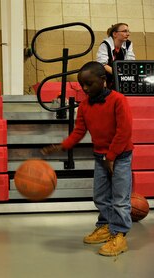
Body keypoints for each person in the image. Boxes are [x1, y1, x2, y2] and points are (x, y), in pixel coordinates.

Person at [42, 61, 133, 257]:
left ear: (103, 80)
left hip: (120, 157)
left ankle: (119, 235)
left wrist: (112, 157)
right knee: (100, 196)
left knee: (120, 199)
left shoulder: (118, 100)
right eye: (82, 84)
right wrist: (62, 146)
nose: (84, 88)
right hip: (101, 157)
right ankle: (105, 225)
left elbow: (123, 132)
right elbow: (79, 131)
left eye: (89, 84)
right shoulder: (84, 106)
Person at [96, 23, 135, 90]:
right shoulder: (105, 45)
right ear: (115, 34)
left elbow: (130, 62)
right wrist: (119, 74)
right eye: (125, 31)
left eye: (128, 31)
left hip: (121, 75)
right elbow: (102, 64)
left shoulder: (128, 44)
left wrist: (125, 76)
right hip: (107, 76)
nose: (128, 34)